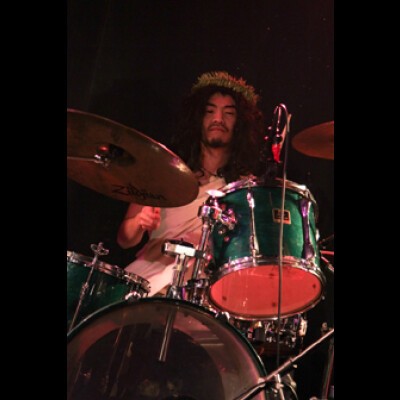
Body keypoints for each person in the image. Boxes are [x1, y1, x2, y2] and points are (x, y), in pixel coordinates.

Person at [117, 71, 265, 297]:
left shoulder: (246, 189)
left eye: (229, 113)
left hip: (208, 294)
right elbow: (124, 239)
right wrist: (139, 222)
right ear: (198, 118)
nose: (218, 119)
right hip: (150, 284)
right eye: (210, 111)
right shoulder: (165, 171)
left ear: (240, 124)